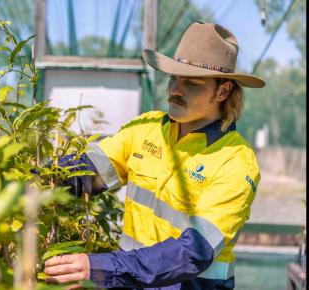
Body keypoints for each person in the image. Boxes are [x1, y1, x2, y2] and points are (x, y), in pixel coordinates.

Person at [44, 21, 265, 290]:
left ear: (223, 90)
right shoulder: (146, 129)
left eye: (192, 83)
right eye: (174, 78)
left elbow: (193, 252)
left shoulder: (235, 161)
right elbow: (87, 171)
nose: (175, 90)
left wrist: (99, 267)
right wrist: (30, 181)